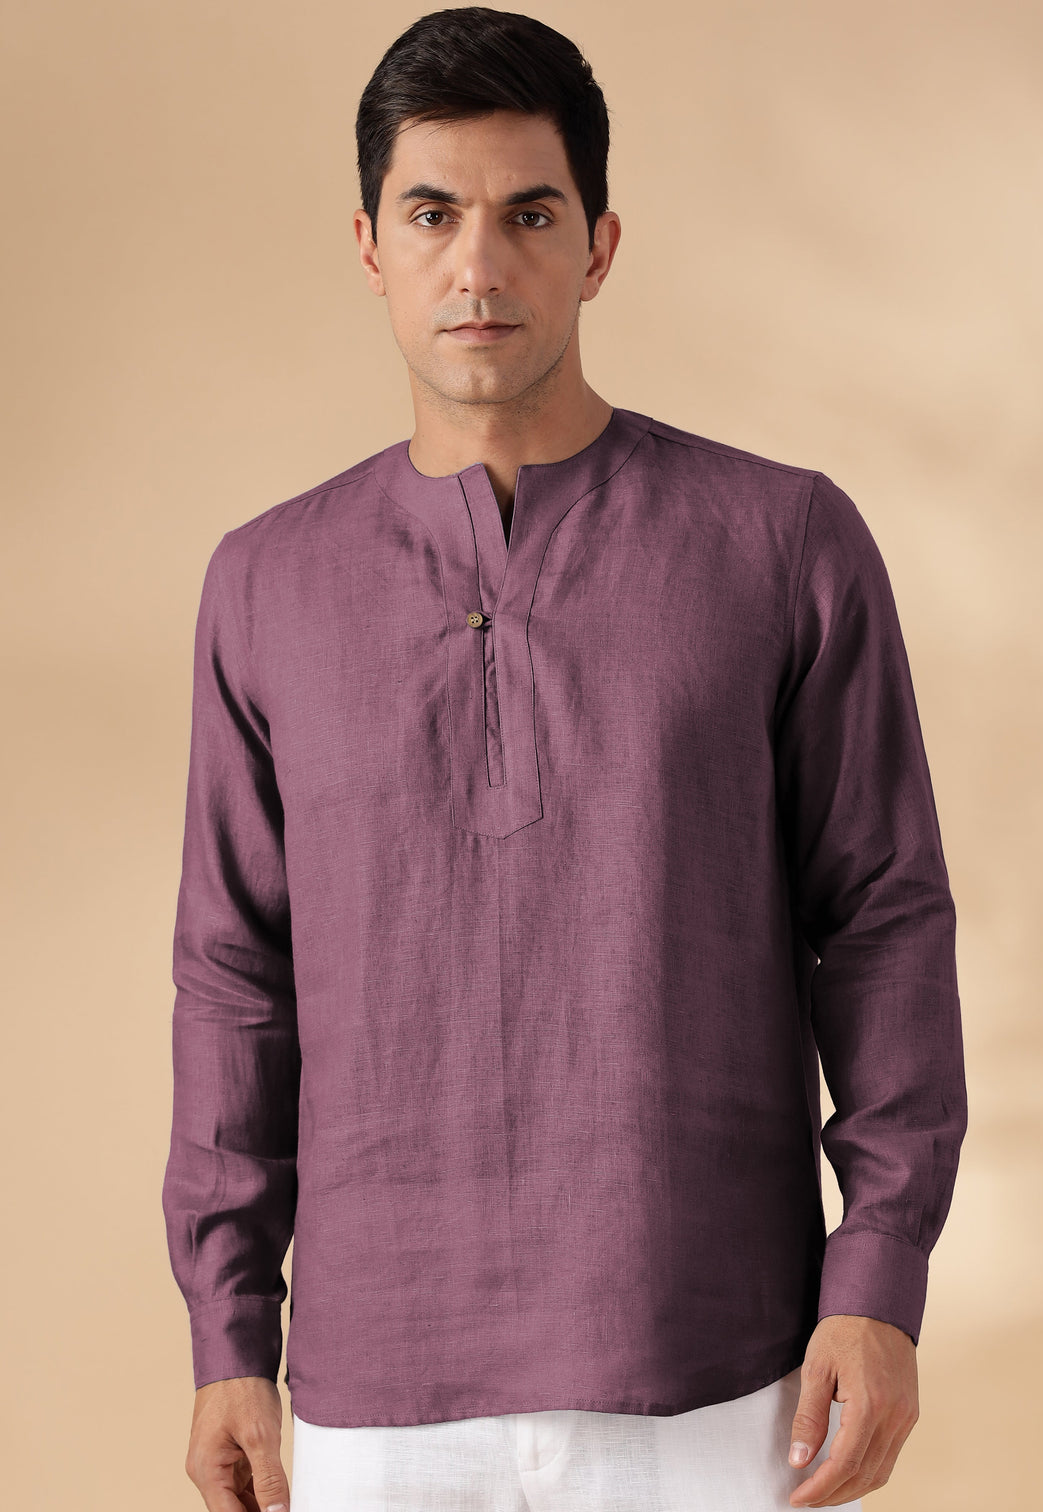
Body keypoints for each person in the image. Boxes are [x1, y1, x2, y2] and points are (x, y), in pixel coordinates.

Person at [161, 8, 968, 1510]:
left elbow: (884, 920)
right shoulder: (265, 584)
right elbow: (234, 973)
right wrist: (227, 1332)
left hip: (719, 1372)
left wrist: (881, 1274)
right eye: (432, 214)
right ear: (369, 245)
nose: (479, 266)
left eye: (529, 215)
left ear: (598, 246)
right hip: (376, 1394)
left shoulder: (782, 542)